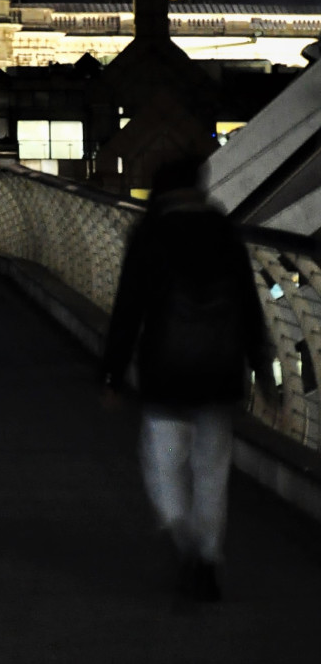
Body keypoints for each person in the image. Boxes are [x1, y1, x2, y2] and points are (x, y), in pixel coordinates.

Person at [101, 155, 274, 601]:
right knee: (212, 473)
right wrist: (263, 371)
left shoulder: (150, 234)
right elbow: (250, 310)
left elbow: (128, 310)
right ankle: (210, 556)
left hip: (166, 373)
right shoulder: (224, 233)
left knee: (164, 465)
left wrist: (111, 376)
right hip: (218, 374)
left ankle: (185, 544)